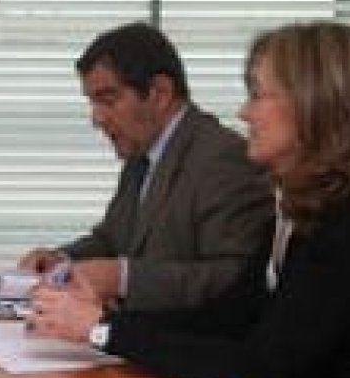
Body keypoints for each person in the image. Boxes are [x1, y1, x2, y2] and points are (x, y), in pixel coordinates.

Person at [30, 21, 350, 378]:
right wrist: (104, 322)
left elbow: (259, 372)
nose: (243, 113)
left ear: (321, 108)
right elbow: (224, 318)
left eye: (258, 95)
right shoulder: (304, 211)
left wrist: (105, 329)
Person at [19, 22, 273, 310]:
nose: (97, 119)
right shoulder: (143, 150)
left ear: (160, 94)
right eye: (93, 103)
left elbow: (235, 278)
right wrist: (62, 260)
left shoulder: (222, 158)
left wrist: (124, 279)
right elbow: (112, 240)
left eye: (108, 100)